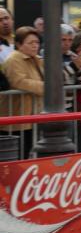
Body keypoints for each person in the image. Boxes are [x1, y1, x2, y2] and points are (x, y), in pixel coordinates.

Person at [0, 27, 44, 159]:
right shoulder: (14, 59)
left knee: (27, 151)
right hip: (16, 117)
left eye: (36, 42)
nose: (35, 45)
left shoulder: (37, 59)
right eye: (30, 43)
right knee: (17, 155)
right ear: (19, 44)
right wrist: (46, 87)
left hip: (32, 115)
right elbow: (19, 82)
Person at [61, 24, 81, 112]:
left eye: (70, 40)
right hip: (54, 104)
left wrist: (79, 71)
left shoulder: (73, 56)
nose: (67, 43)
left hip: (70, 104)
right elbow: (56, 79)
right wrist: (74, 67)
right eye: (63, 39)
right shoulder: (47, 55)